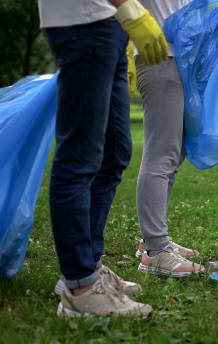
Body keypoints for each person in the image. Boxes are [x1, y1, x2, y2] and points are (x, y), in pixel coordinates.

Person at [39, 0, 168, 317]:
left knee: (114, 152)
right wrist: (129, 8)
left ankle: (90, 267)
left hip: (108, 24)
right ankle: (79, 287)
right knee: (80, 155)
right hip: (82, 22)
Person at [130, 0, 204, 277]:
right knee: (161, 154)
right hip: (160, 55)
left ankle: (151, 240)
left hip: (182, 57)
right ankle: (156, 251)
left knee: (173, 154)